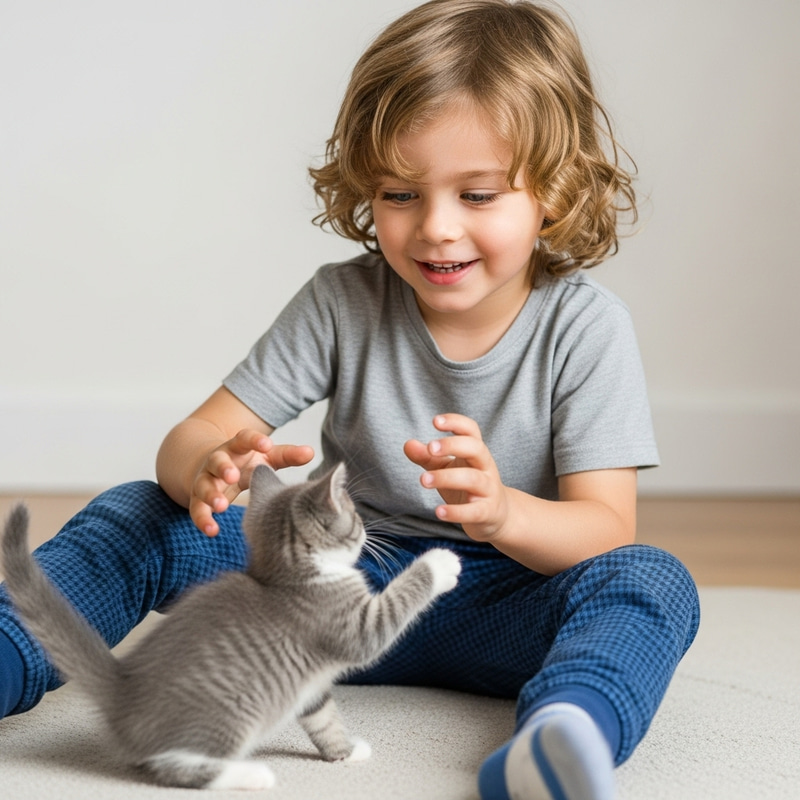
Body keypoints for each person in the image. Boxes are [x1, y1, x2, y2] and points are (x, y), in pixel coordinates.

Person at [0, 1, 700, 798]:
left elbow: (605, 528)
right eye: (401, 194)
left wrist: (505, 513)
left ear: (554, 191)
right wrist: (208, 466)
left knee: (651, 581)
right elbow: (195, 436)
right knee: (140, 512)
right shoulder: (343, 301)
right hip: (327, 592)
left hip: (507, 601)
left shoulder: (587, 328)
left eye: (477, 196)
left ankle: (563, 737)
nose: (435, 228)